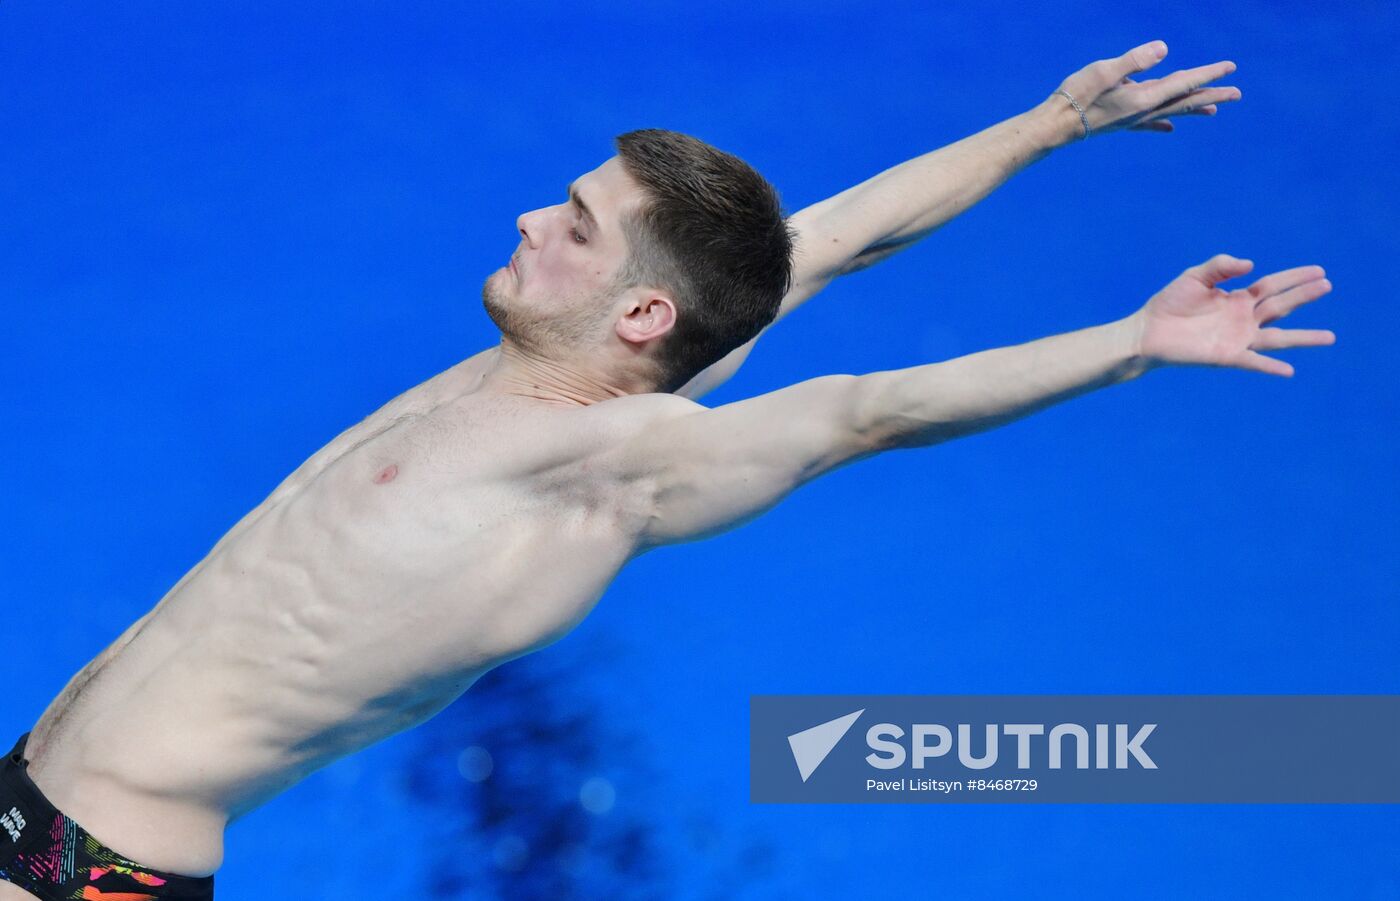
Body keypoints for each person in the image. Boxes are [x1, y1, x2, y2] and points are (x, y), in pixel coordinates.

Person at [0, 41, 1332, 900]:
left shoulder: (608, 466)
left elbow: (866, 410)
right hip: (29, 788)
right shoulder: (539, 363)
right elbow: (836, 242)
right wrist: (1043, 127)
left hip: (91, 870)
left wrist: (1130, 343)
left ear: (638, 316)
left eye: (573, 224)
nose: (531, 219)